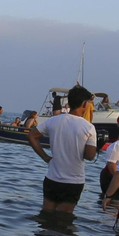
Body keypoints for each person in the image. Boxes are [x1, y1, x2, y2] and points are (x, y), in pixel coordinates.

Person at [26, 84, 97, 212]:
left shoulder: (53, 121)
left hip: (52, 178)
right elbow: (90, 156)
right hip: (73, 181)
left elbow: (31, 136)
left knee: (46, 216)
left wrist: (45, 157)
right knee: (63, 221)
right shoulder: (89, 127)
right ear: (85, 104)